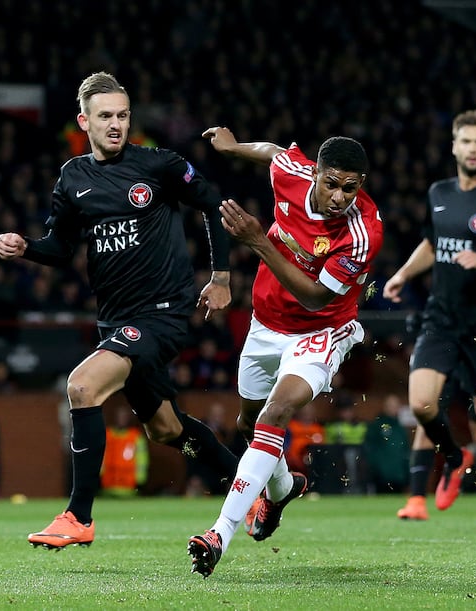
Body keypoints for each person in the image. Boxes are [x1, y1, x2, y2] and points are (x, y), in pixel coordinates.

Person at [0, 71, 240, 549]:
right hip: (117, 321)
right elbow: (61, 247)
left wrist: (222, 276)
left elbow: (211, 203)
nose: (116, 124)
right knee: (167, 429)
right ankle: (248, 486)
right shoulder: (73, 177)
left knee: (82, 386)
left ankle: (78, 516)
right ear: (83, 120)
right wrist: (27, 247)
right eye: (105, 116)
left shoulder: (159, 165)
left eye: (123, 116)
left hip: (163, 313)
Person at [187, 127, 383, 577]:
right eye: (331, 183)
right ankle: (281, 490)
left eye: (350, 188)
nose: (339, 197)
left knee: (274, 416)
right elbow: (274, 152)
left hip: (322, 330)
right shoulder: (291, 174)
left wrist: (258, 241)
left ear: (361, 184)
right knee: (248, 423)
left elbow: (316, 297)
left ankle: (219, 533)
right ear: (315, 173)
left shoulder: (363, 233)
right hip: (264, 325)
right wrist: (236, 148)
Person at [383, 109, 476, 534]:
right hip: (441, 318)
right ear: (454, 146)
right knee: (422, 404)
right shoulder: (438, 191)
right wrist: (402, 275)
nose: (472, 149)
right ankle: (453, 456)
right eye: (465, 142)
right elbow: (433, 243)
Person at [362, 393, 410, 494]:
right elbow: (369, 448)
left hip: (399, 475)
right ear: (385, 407)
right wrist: (375, 468)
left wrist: (407, 471)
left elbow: (405, 450)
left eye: (396, 406)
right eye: (390, 406)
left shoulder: (400, 428)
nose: (393, 409)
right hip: (381, 476)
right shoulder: (377, 426)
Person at [100, 404, 149, 497]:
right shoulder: (107, 435)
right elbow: (101, 456)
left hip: (129, 486)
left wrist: (140, 480)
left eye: (124, 417)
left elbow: (142, 460)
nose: (122, 419)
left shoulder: (136, 436)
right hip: (107, 484)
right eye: (120, 416)